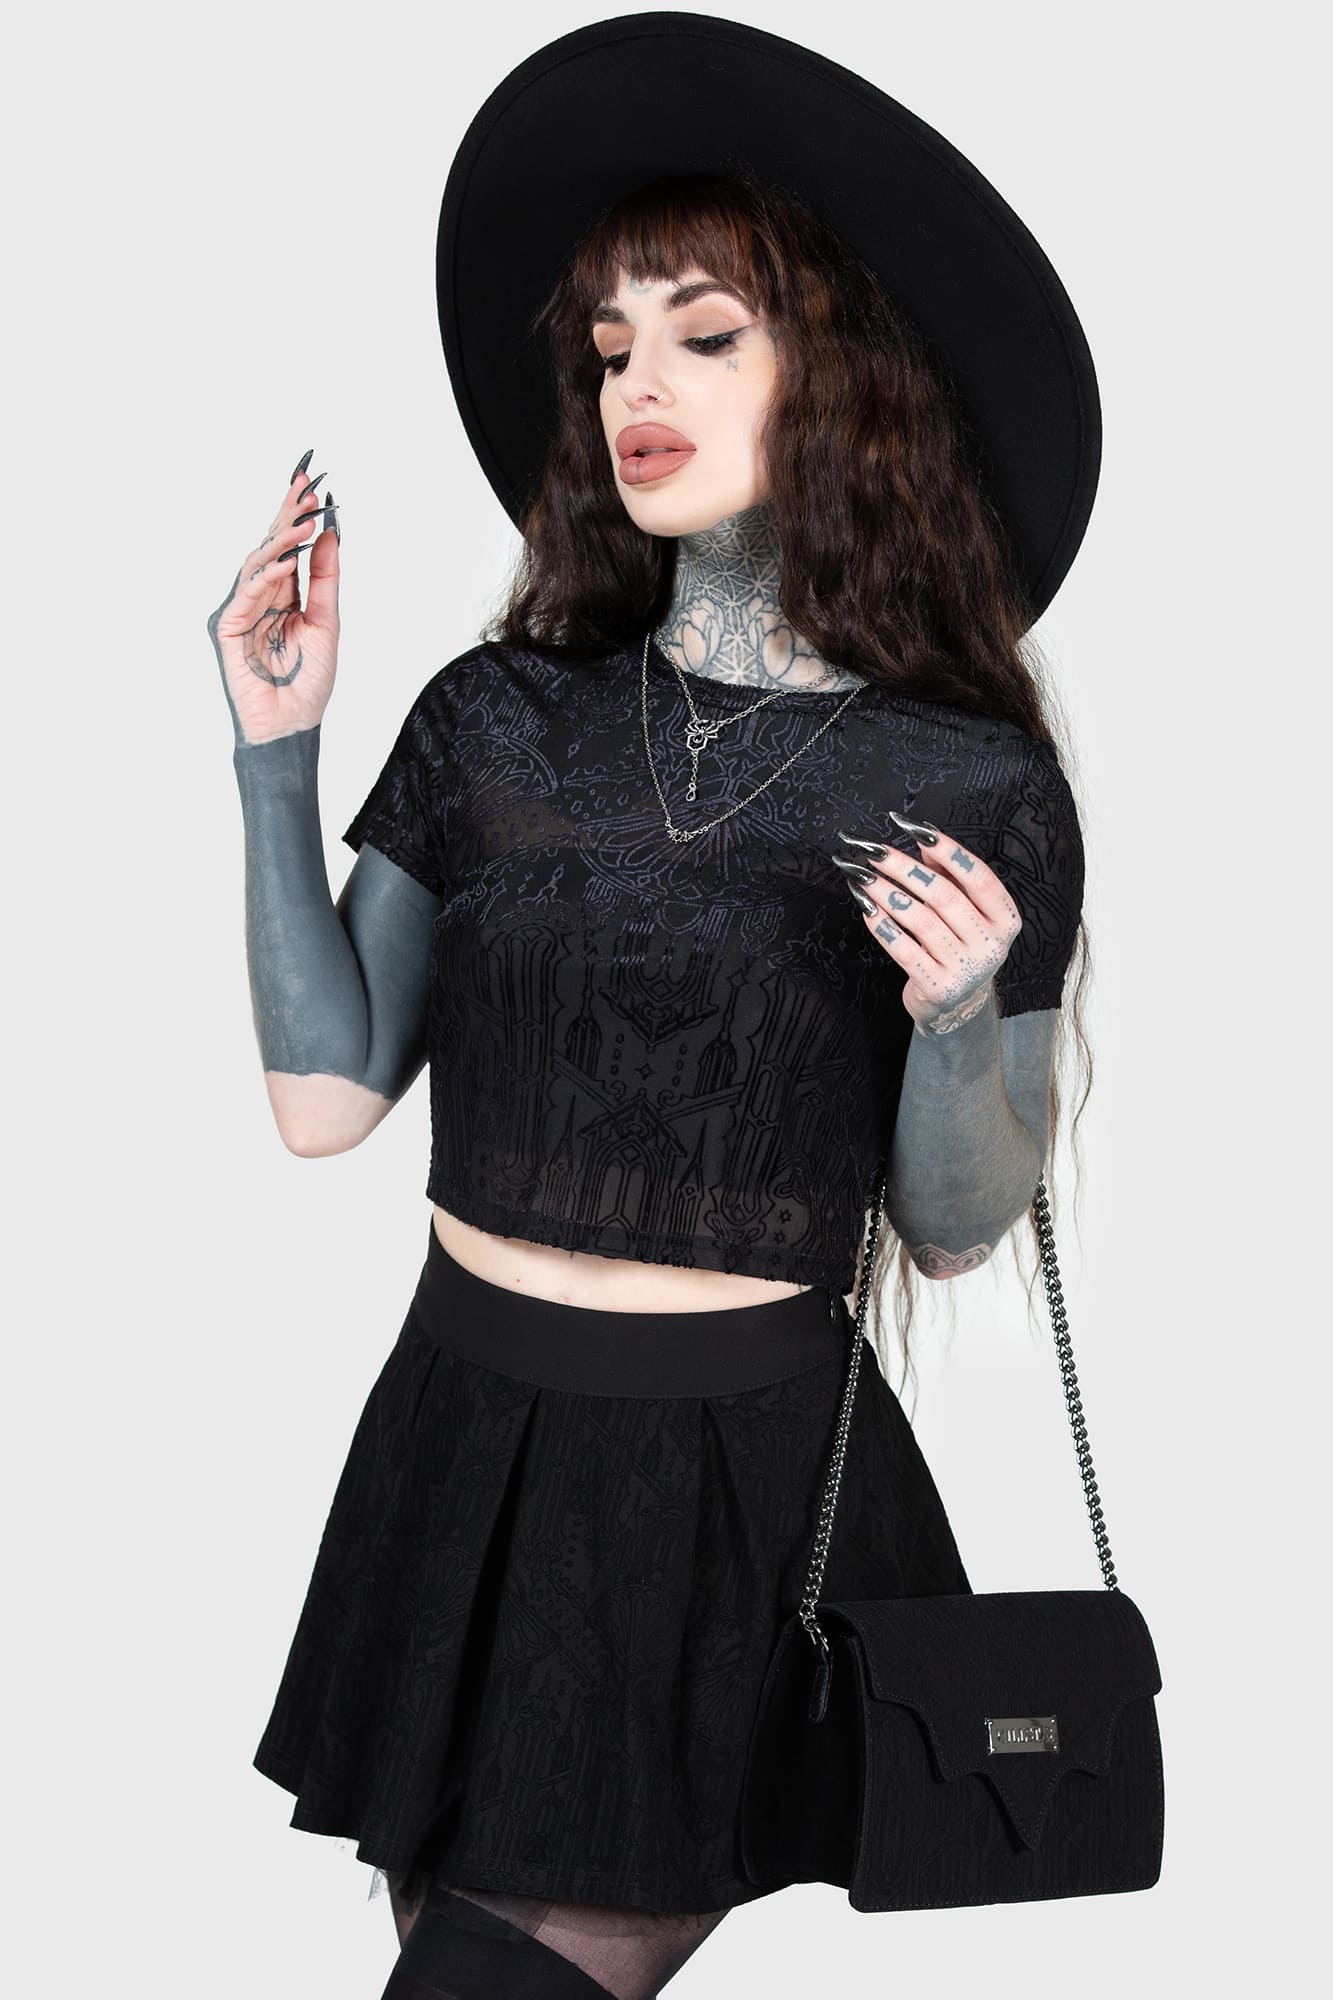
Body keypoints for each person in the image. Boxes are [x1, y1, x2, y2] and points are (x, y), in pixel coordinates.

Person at [206, 18, 1095, 1997]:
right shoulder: (494, 716)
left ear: (843, 378)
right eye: (610, 347)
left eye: (703, 334)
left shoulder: (969, 781)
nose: (638, 387)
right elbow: (326, 1098)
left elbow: (954, 1225)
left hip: (722, 1483)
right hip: (463, 1432)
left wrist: (958, 1016)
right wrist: (275, 754)